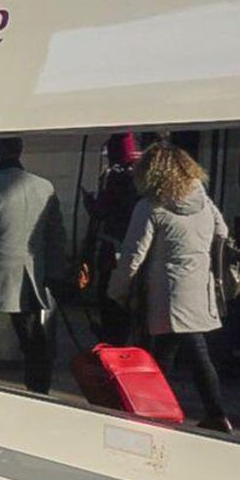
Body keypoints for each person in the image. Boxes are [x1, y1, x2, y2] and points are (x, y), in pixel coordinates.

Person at [110, 141, 233, 432]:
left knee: (191, 351)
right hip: (199, 288)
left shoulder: (150, 206)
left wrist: (117, 290)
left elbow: (132, 255)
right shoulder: (203, 201)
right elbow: (222, 232)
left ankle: (215, 413)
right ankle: (151, 408)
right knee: (165, 353)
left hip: (168, 293)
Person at [0, 136, 65, 395]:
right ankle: (39, 387)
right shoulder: (45, 188)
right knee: (32, 339)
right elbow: (56, 237)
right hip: (29, 278)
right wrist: (55, 274)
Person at [81, 132, 142, 343]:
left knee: (108, 296)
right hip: (136, 248)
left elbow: (102, 212)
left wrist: (89, 201)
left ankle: (112, 339)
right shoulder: (144, 177)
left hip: (112, 248)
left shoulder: (117, 177)